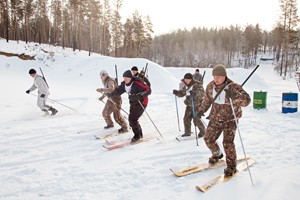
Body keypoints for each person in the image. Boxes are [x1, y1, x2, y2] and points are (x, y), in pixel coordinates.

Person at [197, 64, 251, 176]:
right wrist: (201, 110)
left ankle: (231, 166)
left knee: (227, 143)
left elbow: (247, 101)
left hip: (230, 120)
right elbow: (207, 100)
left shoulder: (233, 86)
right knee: (208, 139)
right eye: (214, 76)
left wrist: (235, 96)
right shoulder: (210, 86)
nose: (216, 79)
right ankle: (217, 154)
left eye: (219, 76)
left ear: (224, 76)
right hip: (215, 118)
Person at [108, 70, 151, 142]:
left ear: (131, 77)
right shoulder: (124, 85)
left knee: (132, 119)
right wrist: (111, 94)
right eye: (124, 78)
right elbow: (118, 91)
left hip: (142, 102)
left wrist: (140, 95)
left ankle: (137, 136)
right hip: (133, 103)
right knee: (131, 120)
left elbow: (148, 90)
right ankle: (139, 133)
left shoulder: (137, 83)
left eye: (127, 78)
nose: (125, 79)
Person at [173, 73, 206, 138]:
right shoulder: (186, 85)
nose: (187, 81)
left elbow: (202, 93)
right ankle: (187, 132)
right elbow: (182, 93)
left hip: (196, 104)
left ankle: (203, 131)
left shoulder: (197, 84)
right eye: (185, 79)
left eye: (188, 79)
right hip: (189, 104)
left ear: (191, 79)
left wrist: (195, 93)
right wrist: (177, 93)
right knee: (186, 119)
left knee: (196, 119)